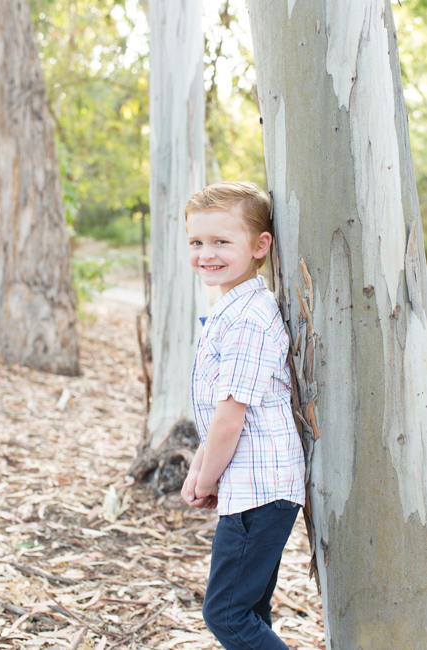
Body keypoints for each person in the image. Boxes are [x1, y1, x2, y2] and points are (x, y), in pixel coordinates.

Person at [181, 181, 306, 650]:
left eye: (221, 241)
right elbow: (219, 414)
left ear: (260, 246)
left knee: (227, 614)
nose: (206, 253)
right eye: (197, 242)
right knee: (251, 609)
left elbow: (231, 419)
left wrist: (207, 478)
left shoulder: (249, 318)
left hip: (260, 489)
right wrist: (201, 469)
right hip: (254, 484)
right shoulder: (232, 311)